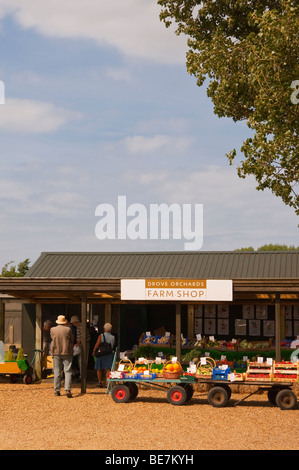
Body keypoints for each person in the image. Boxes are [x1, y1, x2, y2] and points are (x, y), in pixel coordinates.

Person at [50, 315, 74, 398]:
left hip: (56, 352)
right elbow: (71, 340)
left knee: (57, 372)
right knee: (67, 371)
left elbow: (52, 340)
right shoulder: (68, 329)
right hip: (67, 352)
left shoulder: (52, 329)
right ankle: (67, 389)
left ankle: (56, 390)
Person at [92, 323, 115, 388]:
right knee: (108, 369)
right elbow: (112, 345)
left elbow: (97, 344)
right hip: (109, 354)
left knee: (99, 368)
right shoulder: (113, 337)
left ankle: (100, 382)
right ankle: (108, 382)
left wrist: (94, 351)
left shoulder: (101, 335)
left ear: (104, 329)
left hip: (101, 354)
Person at [70, 315, 91, 381]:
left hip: (83, 344)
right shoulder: (79, 326)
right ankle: (82, 375)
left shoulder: (81, 326)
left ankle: (83, 376)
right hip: (82, 343)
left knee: (82, 359)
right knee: (81, 359)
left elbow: (83, 336)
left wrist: (78, 343)